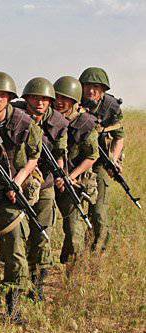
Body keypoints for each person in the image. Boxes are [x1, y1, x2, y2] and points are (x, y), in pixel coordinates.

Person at [0, 72, 43, 322]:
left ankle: (12, 304)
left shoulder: (26, 124)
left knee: (14, 252)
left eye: (2, 95)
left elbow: (34, 158)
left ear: (10, 98)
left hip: (12, 194)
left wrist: (18, 181)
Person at [20, 77, 68, 301]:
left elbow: (60, 155)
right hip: (20, 182)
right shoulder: (17, 116)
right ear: (27, 99)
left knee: (41, 233)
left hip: (46, 184)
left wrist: (60, 175)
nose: (39, 103)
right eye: (35, 98)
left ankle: (37, 283)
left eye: (44, 99)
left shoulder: (58, 123)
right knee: (19, 234)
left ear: (50, 101)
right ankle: (16, 280)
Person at [53, 76, 99, 265]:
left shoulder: (85, 124)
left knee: (74, 231)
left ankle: (73, 270)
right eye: (56, 97)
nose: (60, 102)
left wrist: (70, 177)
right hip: (48, 179)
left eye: (65, 98)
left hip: (73, 180)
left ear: (75, 101)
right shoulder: (48, 118)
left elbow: (92, 156)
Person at [79, 67, 125, 251]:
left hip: (99, 162)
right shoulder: (73, 101)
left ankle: (96, 252)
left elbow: (119, 136)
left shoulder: (111, 106)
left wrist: (113, 159)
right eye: (88, 86)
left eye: (96, 87)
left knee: (98, 212)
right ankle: (74, 252)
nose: (91, 91)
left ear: (103, 89)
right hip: (75, 162)